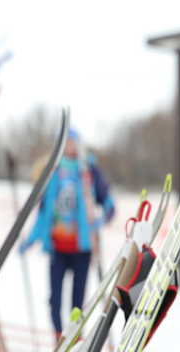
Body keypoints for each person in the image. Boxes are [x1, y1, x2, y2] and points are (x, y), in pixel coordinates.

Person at [23, 129, 115, 338]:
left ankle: (75, 339)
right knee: (54, 300)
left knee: (77, 302)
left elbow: (107, 199)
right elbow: (44, 213)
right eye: (63, 144)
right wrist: (30, 241)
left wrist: (106, 214)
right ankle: (58, 339)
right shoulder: (52, 173)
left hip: (82, 248)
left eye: (71, 142)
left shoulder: (88, 171)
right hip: (57, 247)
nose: (68, 147)